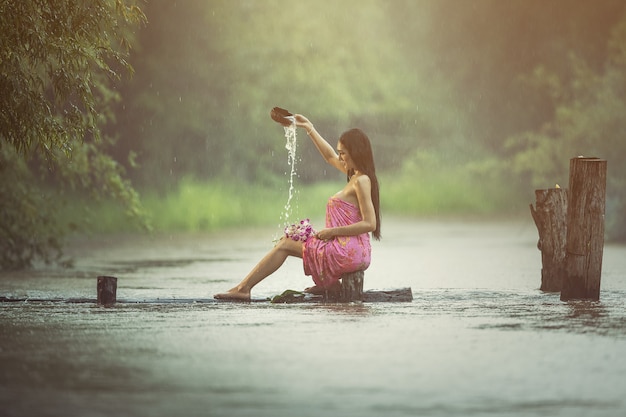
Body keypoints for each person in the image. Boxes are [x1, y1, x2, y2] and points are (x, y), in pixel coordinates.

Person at [214, 114, 381, 301]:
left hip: (350, 251)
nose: (340, 157)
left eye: (343, 152)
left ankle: (244, 288)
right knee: (293, 235)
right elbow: (328, 156)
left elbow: (370, 223)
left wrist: (332, 232)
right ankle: (331, 285)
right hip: (349, 249)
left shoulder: (362, 180)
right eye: (340, 152)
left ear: (355, 151)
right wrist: (309, 127)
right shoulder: (355, 175)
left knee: (286, 244)